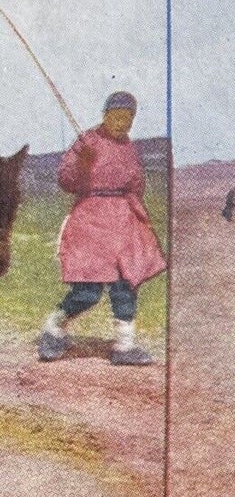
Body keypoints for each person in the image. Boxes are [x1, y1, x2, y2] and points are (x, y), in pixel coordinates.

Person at [37, 90, 168, 367]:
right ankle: (52, 329)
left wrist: (139, 217)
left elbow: (136, 185)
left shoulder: (129, 149)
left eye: (128, 118)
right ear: (105, 115)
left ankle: (125, 345)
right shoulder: (87, 142)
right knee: (88, 291)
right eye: (117, 116)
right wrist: (82, 163)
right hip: (90, 222)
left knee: (126, 282)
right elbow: (66, 181)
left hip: (122, 223)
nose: (123, 123)